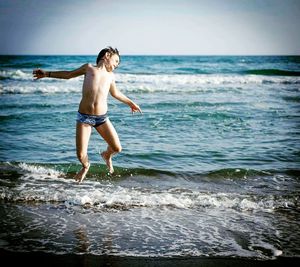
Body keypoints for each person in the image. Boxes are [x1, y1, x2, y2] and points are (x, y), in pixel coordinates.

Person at [33, 47, 142, 183]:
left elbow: (116, 94)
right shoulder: (89, 68)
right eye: (116, 61)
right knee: (80, 155)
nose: (116, 65)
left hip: (102, 118)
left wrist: (131, 103)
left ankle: (106, 155)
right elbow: (68, 75)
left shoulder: (110, 76)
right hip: (84, 118)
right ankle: (86, 166)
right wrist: (47, 74)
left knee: (117, 148)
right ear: (107, 56)